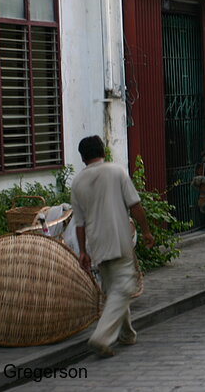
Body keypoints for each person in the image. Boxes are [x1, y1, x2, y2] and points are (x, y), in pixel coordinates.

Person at [73, 135, 155, 357]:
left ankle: (126, 334)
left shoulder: (78, 182)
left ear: (83, 158)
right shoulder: (116, 171)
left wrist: (82, 251)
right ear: (103, 151)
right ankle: (102, 337)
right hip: (119, 239)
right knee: (125, 288)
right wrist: (146, 231)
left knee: (113, 289)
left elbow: (79, 224)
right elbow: (135, 205)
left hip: (96, 244)